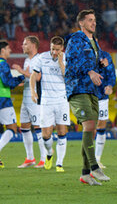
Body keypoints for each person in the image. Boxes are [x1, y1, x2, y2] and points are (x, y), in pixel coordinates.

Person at [65, 9, 110, 185]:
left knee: (91, 129)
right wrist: (90, 70)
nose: (94, 23)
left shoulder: (94, 43)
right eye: (90, 20)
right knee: (90, 124)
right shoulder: (75, 39)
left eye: (95, 20)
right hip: (77, 88)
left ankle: (85, 174)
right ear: (81, 23)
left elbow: (92, 65)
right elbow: (72, 62)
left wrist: (101, 65)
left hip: (91, 90)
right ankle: (94, 167)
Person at [30, 36, 69, 172]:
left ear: (62, 49)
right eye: (52, 49)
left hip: (62, 100)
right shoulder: (42, 58)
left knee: (62, 131)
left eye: (57, 50)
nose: (54, 52)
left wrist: (60, 62)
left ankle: (59, 163)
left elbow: (67, 77)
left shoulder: (66, 58)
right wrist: (33, 92)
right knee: (46, 135)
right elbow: (33, 76)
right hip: (46, 101)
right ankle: (49, 153)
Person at [13, 36, 46, 168]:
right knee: (24, 128)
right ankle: (30, 158)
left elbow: (37, 77)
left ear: (33, 45)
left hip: (35, 99)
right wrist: (20, 81)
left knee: (38, 127)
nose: (22, 46)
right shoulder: (27, 60)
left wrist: (21, 71)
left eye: (25, 44)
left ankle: (43, 159)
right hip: (25, 98)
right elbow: (28, 77)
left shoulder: (39, 59)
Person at [0, 40, 25, 168]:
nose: (10, 50)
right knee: (12, 128)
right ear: (2, 50)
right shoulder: (3, 64)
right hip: (2, 99)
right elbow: (6, 81)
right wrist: (21, 77)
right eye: (8, 48)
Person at [95, 50, 116, 168]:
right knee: (90, 127)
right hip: (88, 95)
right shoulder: (82, 54)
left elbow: (112, 74)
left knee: (101, 125)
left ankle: (97, 159)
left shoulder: (105, 55)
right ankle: (89, 159)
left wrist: (110, 85)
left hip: (102, 96)